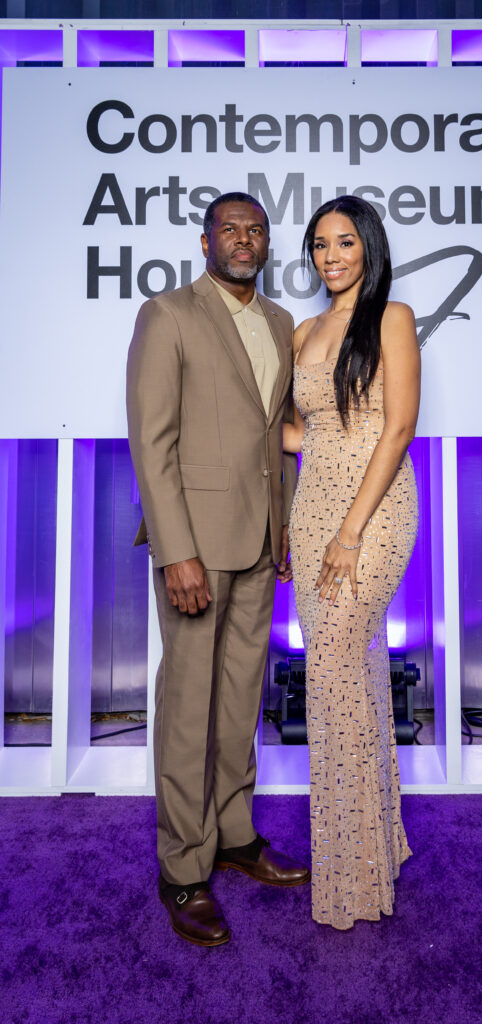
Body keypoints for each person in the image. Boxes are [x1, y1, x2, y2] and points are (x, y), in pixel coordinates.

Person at [126, 192, 310, 948]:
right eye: (230, 228)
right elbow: (152, 440)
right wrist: (176, 551)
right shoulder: (167, 314)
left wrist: (289, 527)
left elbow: (274, 438)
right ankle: (183, 869)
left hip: (262, 544)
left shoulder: (277, 324)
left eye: (256, 229)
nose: (244, 239)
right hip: (196, 549)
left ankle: (234, 837)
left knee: (240, 701)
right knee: (188, 710)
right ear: (204, 241)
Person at [284, 196, 420, 930]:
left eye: (343, 241)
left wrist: (349, 534)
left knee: (333, 678)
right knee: (351, 678)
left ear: (367, 246)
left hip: (371, 515)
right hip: (311, 515)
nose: (329, 255)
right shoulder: (305, 330)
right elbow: (304, 436)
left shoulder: (390, 319)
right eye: (318, 244)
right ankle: (378, 844)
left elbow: (396, 429)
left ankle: (353, 878)